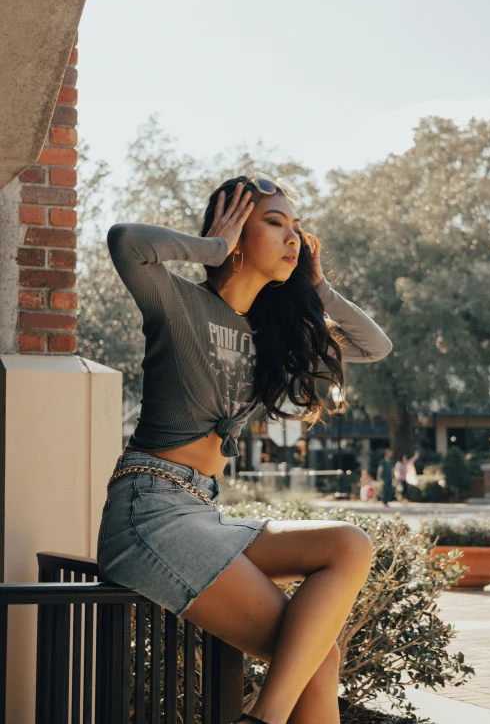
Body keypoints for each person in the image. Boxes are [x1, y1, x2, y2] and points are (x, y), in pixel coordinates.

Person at [97, 176, 393, 724]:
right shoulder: (178, 302)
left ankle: (263, 719)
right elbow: (125, 241)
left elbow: (376, 346)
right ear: (234, 230)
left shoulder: (272, 332)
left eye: (296, 229)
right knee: (314, 663)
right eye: (275, 223)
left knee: (347, 554)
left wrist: (317, 285)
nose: (293, 239)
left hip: (203, 511)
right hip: (149, 512)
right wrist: (212, 248)